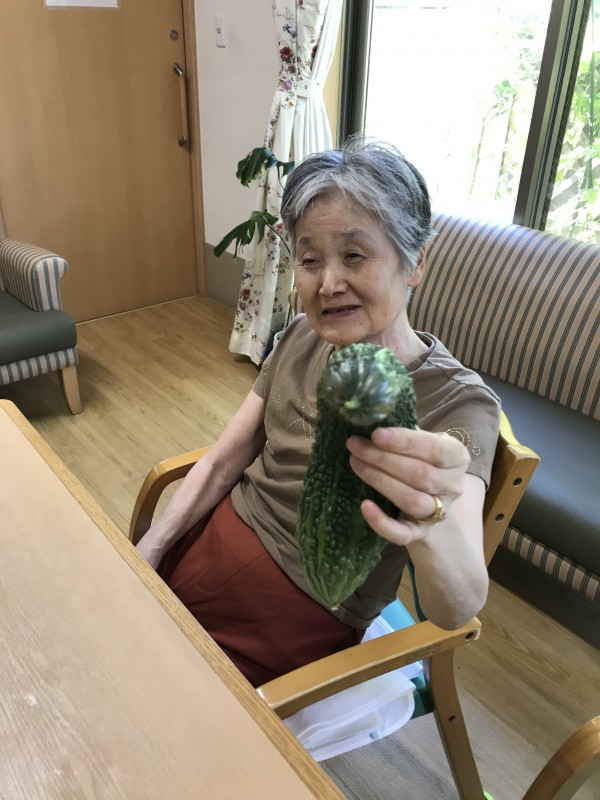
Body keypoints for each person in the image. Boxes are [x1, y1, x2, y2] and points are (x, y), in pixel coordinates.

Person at [136, 138, 501, 688]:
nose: (328, 284)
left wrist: (434, 517)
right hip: (216, 539)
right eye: (309, 260)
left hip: (303, 607)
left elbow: (458, 609)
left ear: (416, 262)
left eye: (354, 255)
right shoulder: (301, 336)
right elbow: (221, 462)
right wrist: (153, 547)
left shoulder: (458, 404)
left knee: (163, 695)